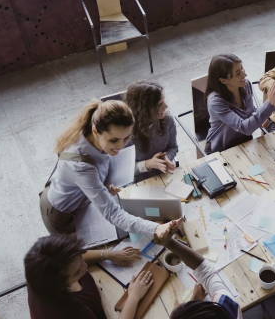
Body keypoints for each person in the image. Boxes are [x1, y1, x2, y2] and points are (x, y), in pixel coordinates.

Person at [39, 99, 182, 238]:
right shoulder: (80, 165)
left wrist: (104, 185)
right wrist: (155, 228)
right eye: (114, 140)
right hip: (61, 213)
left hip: (80, 198)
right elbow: (112, 213)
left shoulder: (95, 130)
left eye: (126, 138)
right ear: (95, 131)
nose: (120, 146)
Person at [25, 234, 153, 319]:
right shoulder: (71, 312)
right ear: (60, 284)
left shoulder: (39, 267)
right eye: (77, 272)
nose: (85, 267)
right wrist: (134, 297)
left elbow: (72, 258)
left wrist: (108, 254)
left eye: (81, 257)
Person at [205, 54, 275, 153]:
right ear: (223, 80)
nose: (244, 75)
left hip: (244, 141)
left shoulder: (245, 85)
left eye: (242, 68)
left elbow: (250, 112)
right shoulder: (215, 102)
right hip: (221, 149)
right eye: (237, 73)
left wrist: (265, 117)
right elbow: (244, 127)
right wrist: (268, 105)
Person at [124, 81, 178, 182]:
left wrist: (167, 158)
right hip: (140, 182)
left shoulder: (168, 120)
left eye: (164, 101)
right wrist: (147, 164)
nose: (166, 106)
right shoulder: (126, 134)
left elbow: (173, 147)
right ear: (144, 110)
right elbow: (124, 171)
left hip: (165, 175)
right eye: (160, 104)